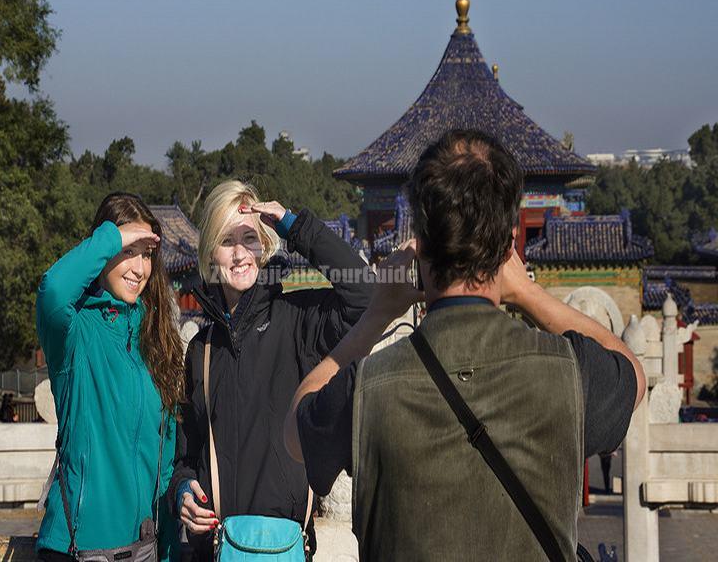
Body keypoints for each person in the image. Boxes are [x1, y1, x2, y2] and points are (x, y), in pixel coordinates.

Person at [285, 129, 646, 561]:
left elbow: (294, 430)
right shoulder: (568, 372)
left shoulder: (366, 389)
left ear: (419, 243)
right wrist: (529, 294)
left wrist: (377, 313)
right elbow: (632, 372)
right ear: (511, 239)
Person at [168, 180, 374, 560]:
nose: (240, 253)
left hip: (286, 546)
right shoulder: (201, 350)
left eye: (249, 238)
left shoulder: (299, 321)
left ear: (264, 246)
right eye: (227, 241)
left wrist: (293, 225)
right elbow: (185, 454)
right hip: (216, 550)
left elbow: (365, 296)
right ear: (210, 253)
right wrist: (182, 490)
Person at [35, 193, 183, 561]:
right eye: (128, 251)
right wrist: (113, 236)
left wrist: (166, 551)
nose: (139, 268)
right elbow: (53, 289)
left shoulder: (156, 341)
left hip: (142, 549)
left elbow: (163, 462)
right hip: (78, 548)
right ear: (102, 251)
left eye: (147, 254)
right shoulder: (75, 330)